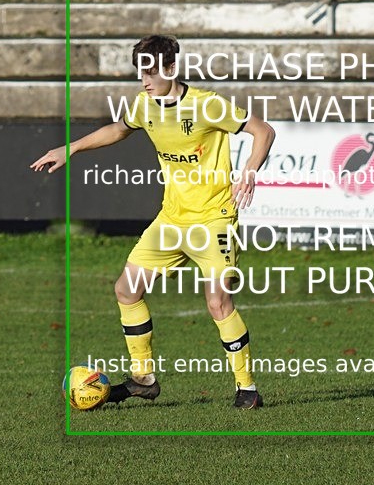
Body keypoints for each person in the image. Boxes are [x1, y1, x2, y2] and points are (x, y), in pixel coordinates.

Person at [31, 35, 275, 409]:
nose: (144, 79)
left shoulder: (206, 105)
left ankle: (247, 389)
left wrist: (250, 171)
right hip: (171, 219)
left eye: (151, 71)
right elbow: (119, 129)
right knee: (126, 290)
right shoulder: (145, 104)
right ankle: (144, 380)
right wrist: (72, 148)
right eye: (140, 72)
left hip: (213, 220)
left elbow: (264, 131)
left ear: (171, 68)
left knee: (218, 302)